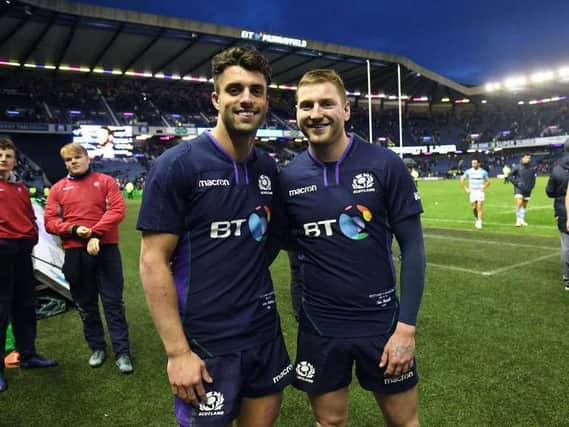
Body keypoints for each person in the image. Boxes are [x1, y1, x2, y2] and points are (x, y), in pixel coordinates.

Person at [137, 47, 292, 427]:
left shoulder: (267, 167)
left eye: (256, 91)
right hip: (206, 343)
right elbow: (152, 261)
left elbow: (267, 240)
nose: (246, 99)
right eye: (235, 89)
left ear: (266, 100)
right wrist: (177, 353)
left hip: (263, 334)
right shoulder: (178, 165)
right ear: (216, 98)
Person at [277, 69, 425, 427]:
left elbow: (414, 249)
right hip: (319, 326)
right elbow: (286, 242)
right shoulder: (288, 178)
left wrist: (406, 328)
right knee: (329, 423)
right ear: (296, 114)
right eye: (306, 105)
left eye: (326, 103)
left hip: (383, 325)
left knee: (404, 423)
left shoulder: (384, 164)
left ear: (346, 110)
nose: (316, 113)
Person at [44, 143, 133, 374]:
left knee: (113, 304)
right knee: (86, 305)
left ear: (87, 158)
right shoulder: (57, 189)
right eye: (68, 160)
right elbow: (50, 222)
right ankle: (97, 347)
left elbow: (117, 210)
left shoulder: (106, 182)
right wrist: (74, 230)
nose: (73, 162)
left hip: (106, 250)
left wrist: (95, 234)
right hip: (75, 253)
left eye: (77, 157)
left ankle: (122, 352)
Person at [0, 137, 57, 393]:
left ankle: (28, 354)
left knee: (25, 306)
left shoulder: (21, 188)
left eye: (8, 155)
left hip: (23, 252)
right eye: (0, 154)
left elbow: (30, 217)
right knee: (1, 311)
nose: (3, 159)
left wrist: (32, 236)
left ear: (15, 159)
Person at [546, 143, 569, 290]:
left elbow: (549, 192)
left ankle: (567, 279)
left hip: (562, 210)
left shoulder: (557, 169)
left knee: (566, 246)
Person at [460, 157, 490, 229]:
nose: (473, 164)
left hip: (480, 191)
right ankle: (477, 218)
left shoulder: (483, 172)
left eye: (475, 163)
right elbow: (462, 179)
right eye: (472, 163)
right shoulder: (468, 171)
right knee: (474, 207)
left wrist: (484, 187)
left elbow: (488, 181)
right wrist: (465, 188)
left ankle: (479, 222)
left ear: (478, 164)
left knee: (479, 207)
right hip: (472, 191)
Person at [507, 153, 536, 226]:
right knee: (519, 202)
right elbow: (509, 176)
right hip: (519, 188)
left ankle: (522, 219)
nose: (528, 159)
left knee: (524, 204)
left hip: (528, 188)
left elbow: (533, 178)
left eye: (529, 158)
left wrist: (532, 186)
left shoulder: (532, 168)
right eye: (526, 158)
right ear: (522, 158)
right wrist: (517, 183)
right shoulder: (517, 167)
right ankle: (518, 220)